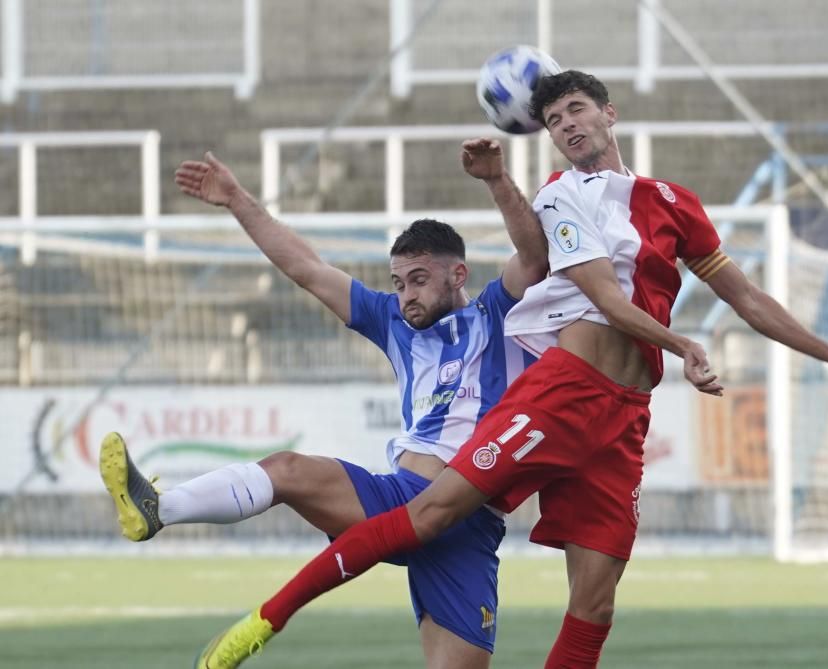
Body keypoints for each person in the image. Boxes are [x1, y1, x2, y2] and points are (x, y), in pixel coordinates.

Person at [194, 70, 828, 669]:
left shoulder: (676, 204)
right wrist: (682, 346)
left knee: (594, 600)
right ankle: (265, 620)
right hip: (562, 391)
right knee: (430, 511)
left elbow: (745, 297)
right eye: (554, 119)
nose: (566, 125)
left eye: (576, 111)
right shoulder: (561, 195)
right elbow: (602, 294)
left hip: (624, 417)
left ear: (609, 114)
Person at [101, 139, 554, 668]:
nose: (406, 294)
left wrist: (497, 180)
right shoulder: (391, 322)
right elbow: (308, 269)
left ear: (458, 275)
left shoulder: (495, 314)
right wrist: (237, 199)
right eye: (398, 282)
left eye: (419, 280)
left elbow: (534, 256)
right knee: (289, 470)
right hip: (405, 498)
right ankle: (161, 509)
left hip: (471, 525)